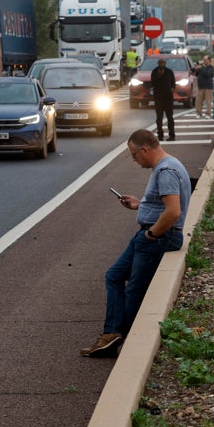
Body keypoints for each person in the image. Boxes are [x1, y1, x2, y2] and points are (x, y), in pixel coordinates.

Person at [81, 130, 190, 357]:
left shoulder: (166, 171)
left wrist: (151, 234)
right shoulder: (169, 165)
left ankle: (118, 339)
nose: (134, 160)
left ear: (145, 150)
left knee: (134, 290)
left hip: (157, 237)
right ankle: (111, 334)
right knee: (114, 276)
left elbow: (173, 212)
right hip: (150, 235)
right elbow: (163, 206)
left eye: (134, 155)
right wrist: (140, 205)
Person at [150, 56, 177, 141]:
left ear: (165, 64)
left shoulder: (169, 72)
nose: (162, 65)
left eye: (163, 63)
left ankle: (172, 135)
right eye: (160, 63)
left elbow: (173, 83)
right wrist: (159, 76)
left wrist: (172, 88)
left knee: (170, 117)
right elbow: (153, 83)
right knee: (159, 118)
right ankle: (160, 135)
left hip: (168, 98)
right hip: (158, 98)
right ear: (158, 64)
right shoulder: (154, 72)